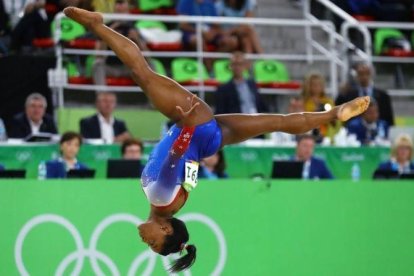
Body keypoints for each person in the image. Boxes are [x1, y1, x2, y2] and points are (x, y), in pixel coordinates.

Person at [63, 7, 370, 272]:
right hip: (194, 125)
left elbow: (189, 172)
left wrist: (191, 144)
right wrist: (185, 126)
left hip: (208, 141)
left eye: (150, 247)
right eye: (155, 242)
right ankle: (96, 25)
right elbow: (173, 161)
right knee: (141, 73)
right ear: (165, 229)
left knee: (277, 123)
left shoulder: (175, 205)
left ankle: (334, 113)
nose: (147, 242)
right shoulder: (159, 199)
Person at [92, 0, 149, 85]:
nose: (119, 7)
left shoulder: (134, 27)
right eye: (117, 3)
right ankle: (102, 96)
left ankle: (153, 97)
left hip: (129, 68)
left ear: (129, 6)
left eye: (121, 3)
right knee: (97, 65)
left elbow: (148, 57)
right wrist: (108, 35)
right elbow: (98, 56)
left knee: (150, 65)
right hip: (110, 67)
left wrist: (137, 39)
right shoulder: (106, 27)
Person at [336, 62, 394, 127]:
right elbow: (338, 112)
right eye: (361, 74)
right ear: (356, 76)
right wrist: (341, 93)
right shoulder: (348, 95)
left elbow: (389, 120)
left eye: (367, 73)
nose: (364, 76)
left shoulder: (383, 96)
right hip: (354, 132)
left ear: (371, 74)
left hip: (378, 132)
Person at [301, 72, 340, 141]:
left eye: (319, 85)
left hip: (326, 132)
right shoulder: (304, 102)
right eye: (314, 85)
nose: (317, 87)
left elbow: (334, 119)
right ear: (308, 86)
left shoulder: (328, 101)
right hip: (309, 132)